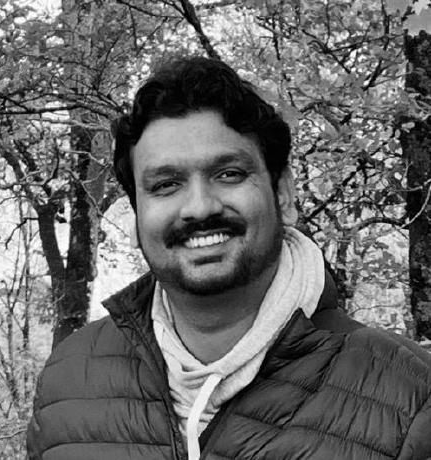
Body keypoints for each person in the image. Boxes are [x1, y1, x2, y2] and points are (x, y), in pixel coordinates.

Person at [27, 56, 431, 460]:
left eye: (229, 174)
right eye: (166, 184)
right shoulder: (69, 380)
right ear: (136, 216)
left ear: (284, 194)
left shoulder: (410, 398)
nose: (199, 207)